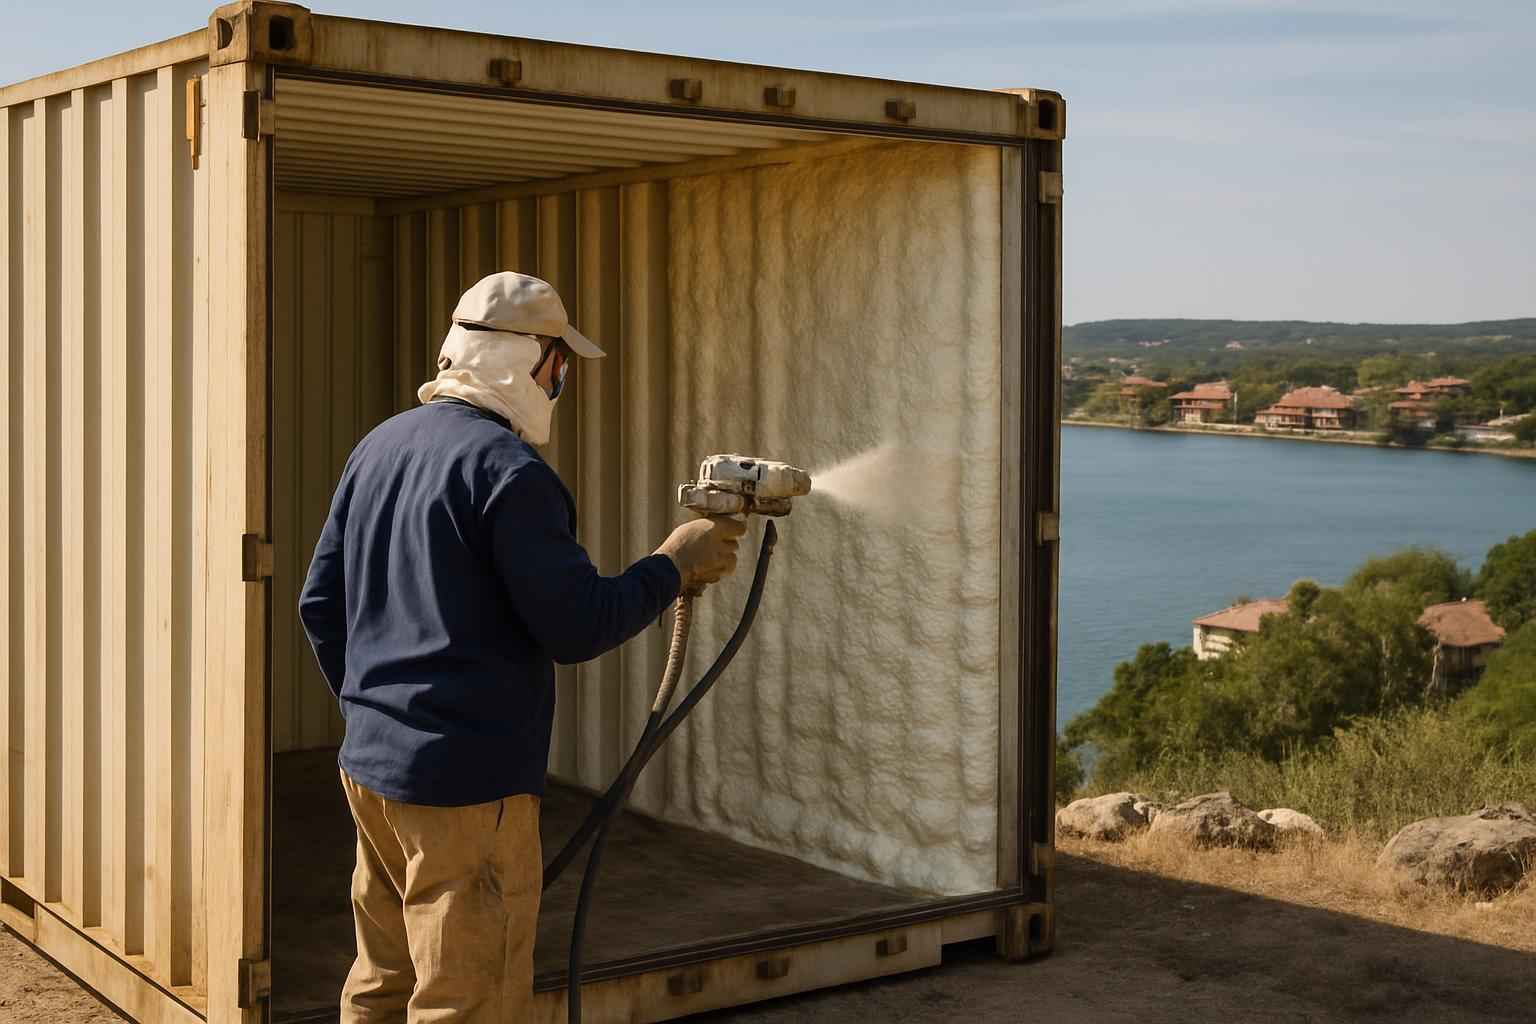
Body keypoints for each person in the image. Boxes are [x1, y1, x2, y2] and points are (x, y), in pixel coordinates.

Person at [298, 271, 744, 1023]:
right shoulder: (509, 472)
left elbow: (319, 604)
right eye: (558, 363)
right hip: (464, 789)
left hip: (372, 772)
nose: (559, 381)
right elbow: (577, 625)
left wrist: (379, 717)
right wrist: (673, 565)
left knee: (383, 983)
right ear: (532, 361)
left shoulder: (379, 446)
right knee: (468, 1001)